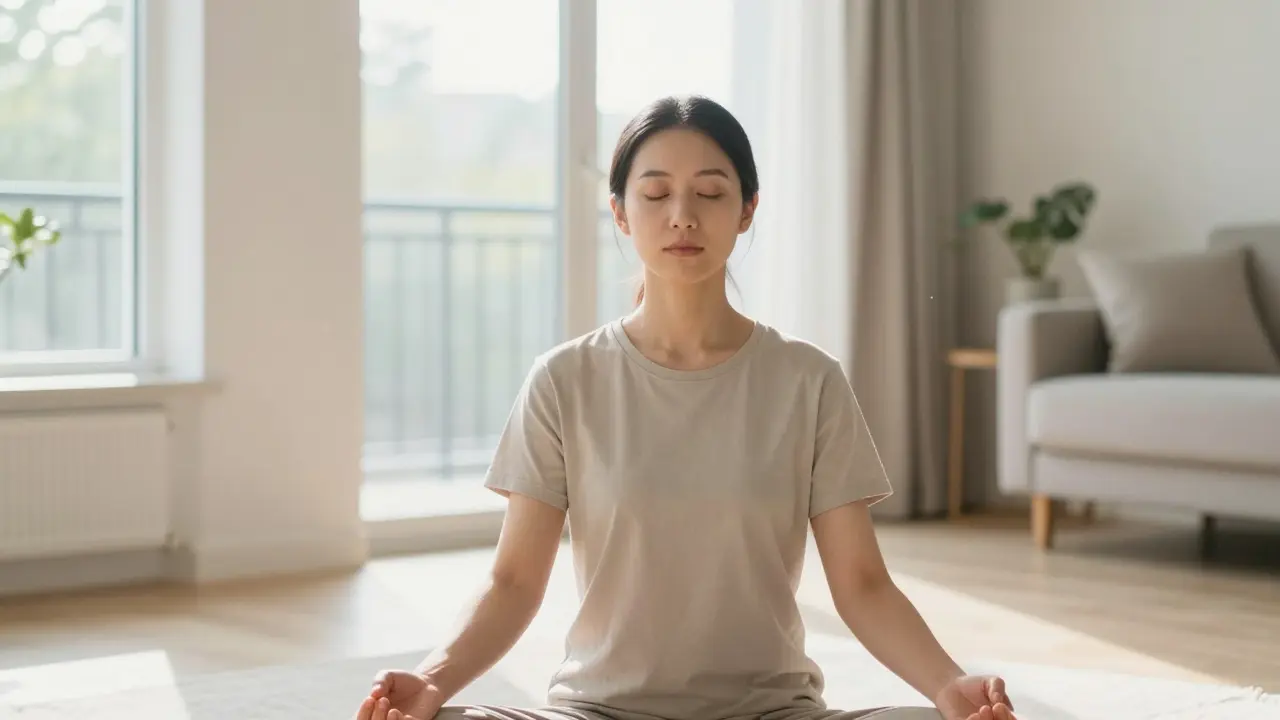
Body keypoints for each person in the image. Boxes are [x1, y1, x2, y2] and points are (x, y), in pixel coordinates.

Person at [354, 95, 1018, 720]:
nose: (683, 215)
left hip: (770, 713)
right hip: (600, 711)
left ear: (747, 209)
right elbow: (513, 582)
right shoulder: (564, 380)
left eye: (709, 192)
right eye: (655, 194)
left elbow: (863, 584)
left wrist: (947, 684)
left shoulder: (808, 380)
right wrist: (434, 679)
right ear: (619, 212)